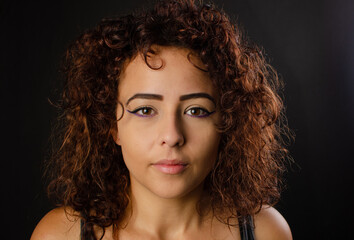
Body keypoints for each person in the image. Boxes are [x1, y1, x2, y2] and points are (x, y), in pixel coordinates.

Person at [31, 0, 292, 239]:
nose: (172, 136)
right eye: (145, 110)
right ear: (112, 126)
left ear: (228, 121)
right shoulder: (58, 235)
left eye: (196, 110)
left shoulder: (266, 232)